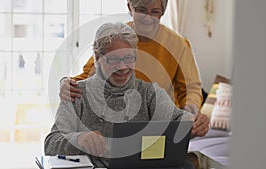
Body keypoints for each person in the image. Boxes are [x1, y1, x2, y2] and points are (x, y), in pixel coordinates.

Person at [45, 22, 195, 169]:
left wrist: (192, 122)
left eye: (129, 58)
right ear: (97, 57)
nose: (122, 67)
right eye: (114, 59)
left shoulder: (150, 93)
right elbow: (51, 143)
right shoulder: (77, 93)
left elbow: (178, 121)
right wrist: (79, 139)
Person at [59, 0, 209, 137]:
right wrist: (66, 83)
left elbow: (190, 88)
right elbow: (89, 74)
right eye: (141, 10)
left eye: (155, 11)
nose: (148, 17)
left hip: (160, 126)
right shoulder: (118, 39)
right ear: (130, 7)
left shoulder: (178, 44)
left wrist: (191, 116)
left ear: (163, 12)